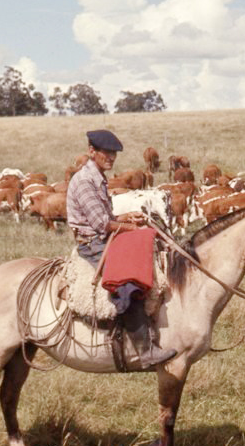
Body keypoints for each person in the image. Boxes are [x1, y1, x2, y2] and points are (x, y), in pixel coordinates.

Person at [66, 129, 176, 369]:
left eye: (113, 153)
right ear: (91, 151)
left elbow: (105, 216)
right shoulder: (85, 181)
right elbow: (101, 224)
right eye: (106, 152)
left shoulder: (97, 177)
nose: (111, 157)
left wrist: (127, 217)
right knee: (128, 280)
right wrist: (127, 226)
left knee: (151, 245)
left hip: (103, 236)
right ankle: (145, 351)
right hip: (94, 244)